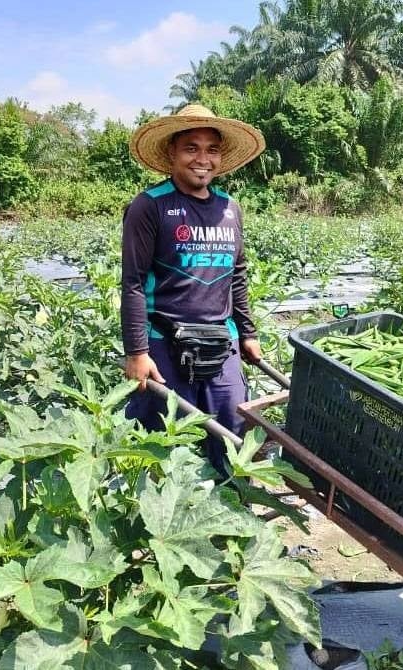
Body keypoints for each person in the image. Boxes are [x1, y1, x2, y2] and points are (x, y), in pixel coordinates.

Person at [121, 104, 266, 475]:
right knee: (163, 443)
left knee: (233, 435)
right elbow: (133, 281)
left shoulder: (229, 208)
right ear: (172, 152)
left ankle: (231, 520)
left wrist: (247, 333)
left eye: (212, 149)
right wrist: (137, 351)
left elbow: (237, 274)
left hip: (222, 340)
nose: (202, 159)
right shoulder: (149, 205)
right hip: (164, 343)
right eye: (191, 148)